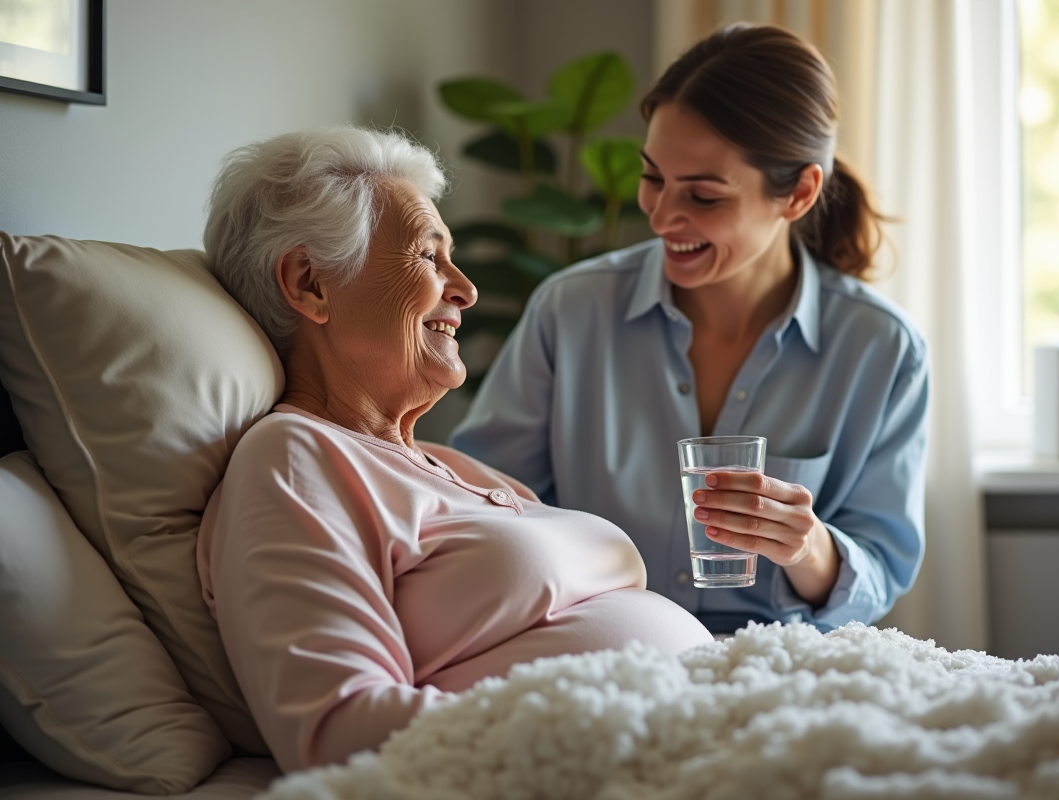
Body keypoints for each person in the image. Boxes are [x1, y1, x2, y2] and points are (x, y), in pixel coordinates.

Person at [196, 128, 714, 773]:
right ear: (310, 283)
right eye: (427, 257)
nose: (465, 289)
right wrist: (615, 726)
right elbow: (336, 731)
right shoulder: (295, 458)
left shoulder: (454, 465)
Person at [450, 24, 929, 636]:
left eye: (703, 196)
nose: (662, 215)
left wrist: (807, 547)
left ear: (799, 193)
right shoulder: (570, 313)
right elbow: (481, 503)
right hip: (600, 649)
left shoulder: (883, 350)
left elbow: (880, 570)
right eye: (653, 178)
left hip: (778, 661)